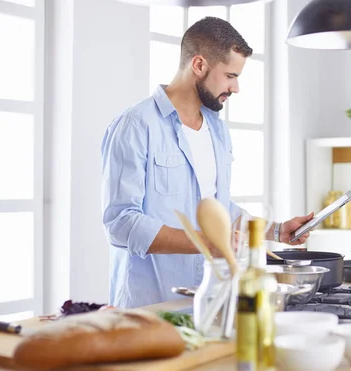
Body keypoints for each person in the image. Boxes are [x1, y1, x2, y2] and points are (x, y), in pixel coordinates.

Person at [101, 17, 313, 308]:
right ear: (199, 65)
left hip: (209, 301)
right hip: (148, 306)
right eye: (230, 76)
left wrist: (277, 230)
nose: (236, 88)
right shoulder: (136, 126)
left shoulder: (217, 129)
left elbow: (217, 209)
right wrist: (205, 242)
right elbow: (121, 223)